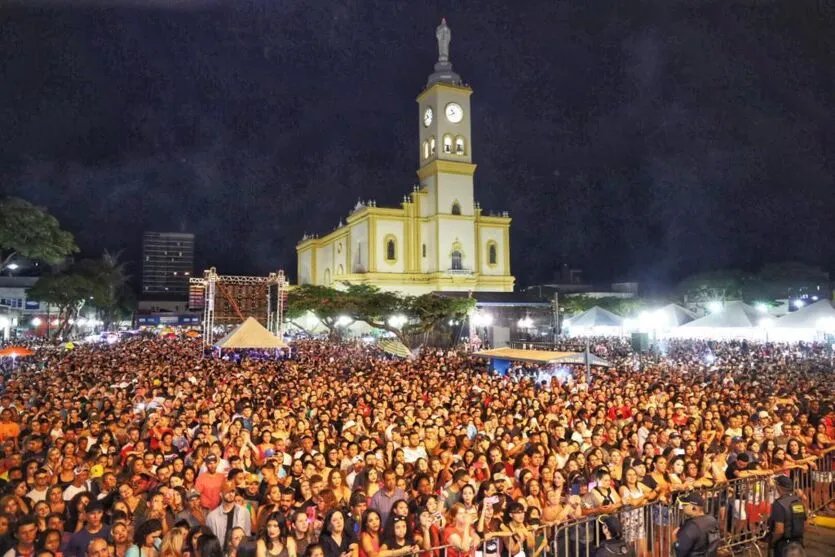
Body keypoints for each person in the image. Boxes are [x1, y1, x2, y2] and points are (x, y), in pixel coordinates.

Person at [206, 482, 251, 552]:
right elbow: (209, 541)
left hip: (239, 552)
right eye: (227, 492)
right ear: (221, 494)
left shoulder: (244, 512)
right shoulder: (212, 516)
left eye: (232, 491)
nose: (230, 494)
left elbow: (247, 534)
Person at [768, 476, 806, 557]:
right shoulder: (798, 501)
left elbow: (779, 530)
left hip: (784, 545)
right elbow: (805, 523)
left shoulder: (778, 504)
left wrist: (772, 542)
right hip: (798, 543)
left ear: (779, 487)